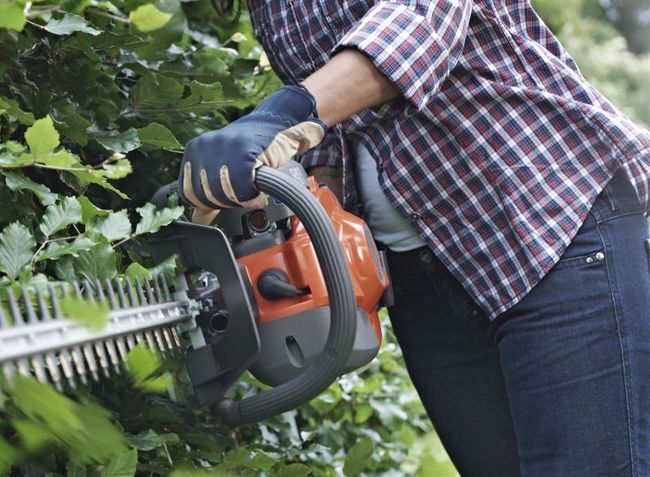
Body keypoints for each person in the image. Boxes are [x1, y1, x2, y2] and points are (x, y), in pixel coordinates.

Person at [179, 1, 650, 475]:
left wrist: (280, 116)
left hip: (546, 223)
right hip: (422, 274)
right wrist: (300, 199)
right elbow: (334, 121)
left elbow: (419, 23)